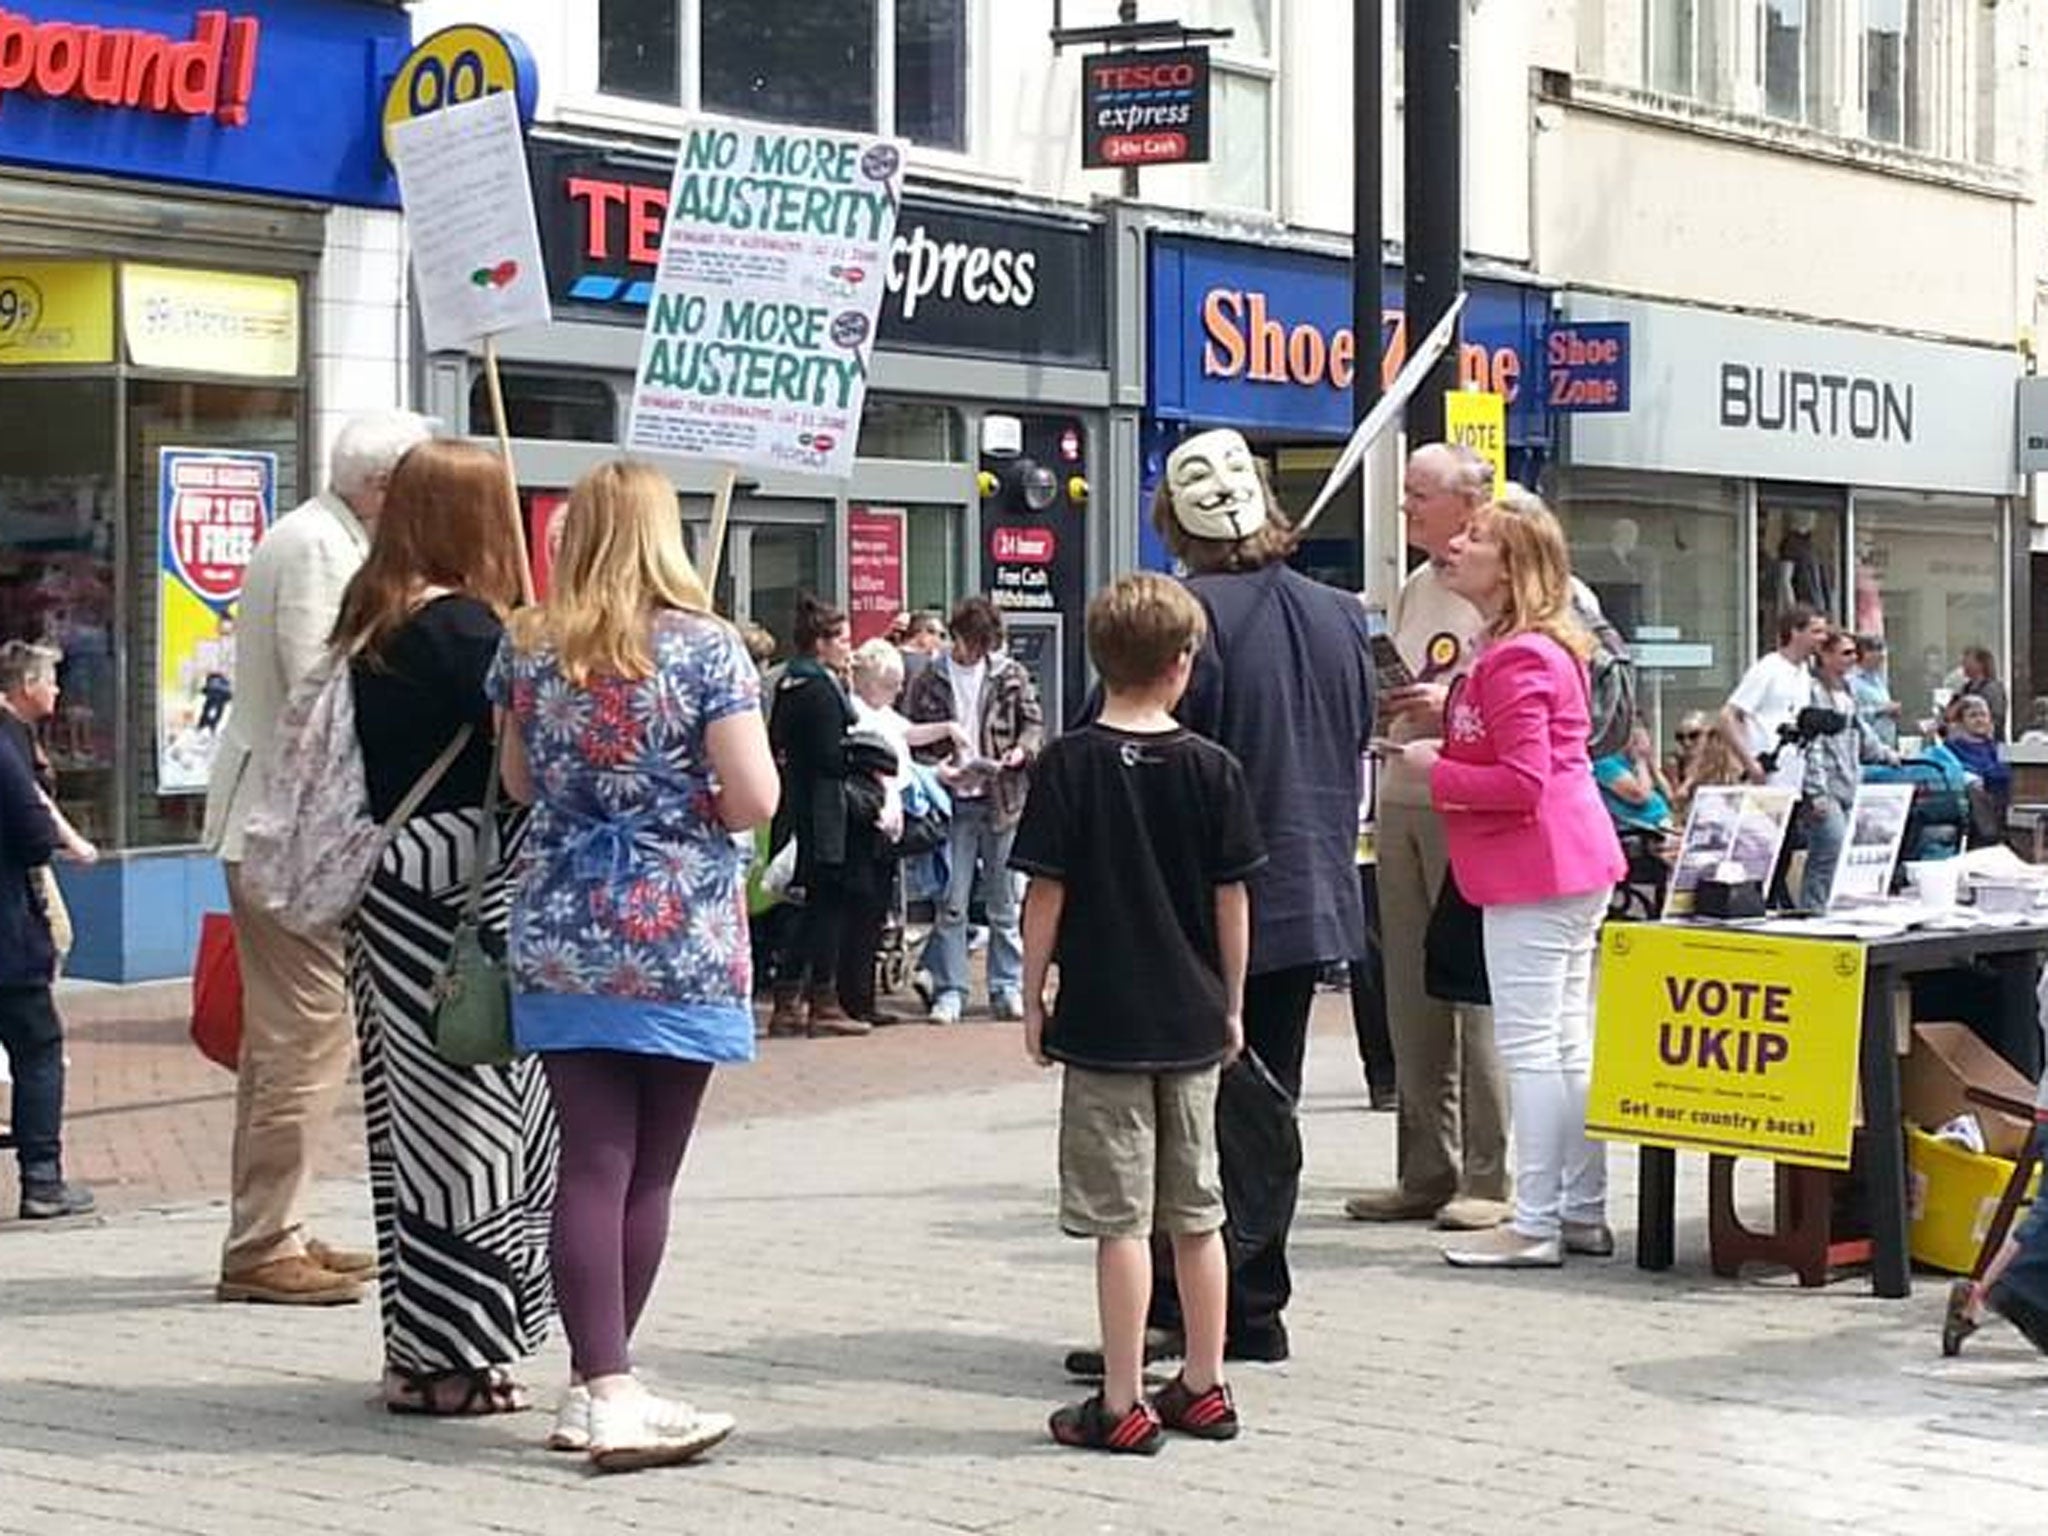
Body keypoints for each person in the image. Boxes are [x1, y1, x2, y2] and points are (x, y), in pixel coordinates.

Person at [492, 459, 777, 1470]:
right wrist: (679, 808)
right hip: (677, 930)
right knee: (647, 1172)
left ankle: (594, 1379)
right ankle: (606, 1386)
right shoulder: (708, 650)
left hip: (562, 924)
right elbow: (752, 795)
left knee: (589, 1160)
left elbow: (519, 780)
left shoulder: (527, 644)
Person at [1013, 573, 1265, 1454]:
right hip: (1193, 1016)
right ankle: (1205, 1380)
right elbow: (1232, 900)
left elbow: (1047, 892)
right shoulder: (1213, 768)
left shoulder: (1069, 763)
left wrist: (1032, 990)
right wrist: (1233, 1003)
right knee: (1198, 1211)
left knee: (1119, 1219)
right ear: (1182, 664)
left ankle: (1120, 1399)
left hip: (1104, 1019)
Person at [333, 439, 557, 1415]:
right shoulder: (463, 629)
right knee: (471, 1126)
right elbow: (532, 739)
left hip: (396, 880)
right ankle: (456, 1354)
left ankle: (422, 1347)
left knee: (411, 1130)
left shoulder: (378, 612)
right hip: (460, 885)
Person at [1142, 427, 1373, 1363]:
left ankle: (1189, 1305)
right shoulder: (1339, 614)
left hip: (1202, 899)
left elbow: (1157, 752)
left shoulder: (1188, 619)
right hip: (1308, 882)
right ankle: (1257, 1296)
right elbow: (1355, 730)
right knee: (1267, 1100)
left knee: (1186, 1114)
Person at [204, 408, 431, 1306]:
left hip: (279, 824)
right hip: (287, 830)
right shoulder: (314, 548)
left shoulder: (321, 537)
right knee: (304, 1040)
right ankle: (262, 1241)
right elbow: (317, 690)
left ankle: (273, 1224)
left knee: (286, 1042)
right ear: (384, 487)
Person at [1380, 492, 1625, 1267]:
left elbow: (1522, 781)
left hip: (1534, 864)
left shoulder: (1520, 655)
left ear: (1512, 566)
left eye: (1476, 539)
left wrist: (1436, 767)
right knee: (1565, 1042)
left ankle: (1538, 1221)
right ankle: (1577, 1208)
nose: (1455, 546)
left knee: (1533, 1047)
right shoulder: (1536, 647)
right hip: (1566, 860)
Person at [1346, 443, 1510, 1233]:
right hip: (1405, 791)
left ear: (1469, 502)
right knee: (1409, 989)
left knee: (1474, 989)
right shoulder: (1416, 584)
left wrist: (1454, 707)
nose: (1405, 507)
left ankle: (1491, 1171)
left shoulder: (1508, 575)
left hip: (1472, 802)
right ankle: (1424, 1166)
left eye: (1418, 494)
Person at [903, 595, 1043, 1026]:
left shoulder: (1010, 675)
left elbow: (1033, 722)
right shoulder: (930, 678)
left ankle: (1006, 986)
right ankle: (951, 989)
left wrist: (1022, 751)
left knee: (1004, 900)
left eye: (982, 645)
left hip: (1001, 797)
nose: (974, 652)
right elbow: (911, 736)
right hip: (953, 801)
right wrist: (937, 770)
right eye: (968, 643)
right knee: (952, 899)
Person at [0, 697, 92, 1219]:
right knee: (38, 1047)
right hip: (7, 933)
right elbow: (35, 833)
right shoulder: (4, 743)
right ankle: (42, 1179)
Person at [766, 595, 872, 1038]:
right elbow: (830, 756)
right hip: (824, 812)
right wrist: (862, 759)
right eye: (843, 639)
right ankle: (822, 1000)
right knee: (826, 903)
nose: (849, 647)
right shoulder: (820, 690)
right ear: (821, 643)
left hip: (794, 806)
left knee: (804, 909)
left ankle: (788, 1000)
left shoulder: (788, 684)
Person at [844, 639, 964, 1025]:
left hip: (884, 821)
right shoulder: (859, 713)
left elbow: (909, 734)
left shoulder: (880, 712)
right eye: (893, 684)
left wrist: (947, 730)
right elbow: (886, 759)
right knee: (862, 913)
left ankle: (861, 998)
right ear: (872, 682)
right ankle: (855, 998)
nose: (899, 691)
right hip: (871, 822)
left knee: (875, 912)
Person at [0, 641, 98, 968]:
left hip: (24, 853)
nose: (56, 690)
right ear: (28, 685)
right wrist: (74, 840)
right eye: (50, 680)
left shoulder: (20, 731)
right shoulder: (9, 732)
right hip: (20, 856)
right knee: (55, 936)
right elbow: (31, 793)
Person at [1799, 629, 1897, 910]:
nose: (1852, 659)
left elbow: (1861, 733)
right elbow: (1812, 744)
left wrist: (1886, 755)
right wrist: (1816, 791)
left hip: (1849, 781)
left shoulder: (1849, 690)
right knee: (1831, 845)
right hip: (1824, 785)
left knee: (1840, 853)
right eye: (1845, 653)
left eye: (1854, 653)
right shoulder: (1812, 691)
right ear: (1825, 655)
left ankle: (1830, 906)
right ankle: (1813, 909)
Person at [1719, 603, 1828, 792]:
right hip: (1764, 777)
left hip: (1792, 778)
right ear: (1795, 632)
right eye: (1816, 631)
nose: (1823, 638)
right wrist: (1749, 763)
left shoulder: (1804, 672)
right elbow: (1727, 716)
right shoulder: (1768, 668)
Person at [1593, 717, 1675, 830]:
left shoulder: (1635, 763)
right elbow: (1639, 795)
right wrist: (1640, 759)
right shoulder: (1604, 762)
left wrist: (1651, 764)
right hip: (1639, 831)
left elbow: (1669, 796)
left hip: (1662, 824)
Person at [1849, 635, 1901, 750]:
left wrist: (1892, 712)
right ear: (1863, 653)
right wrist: (1880, 711)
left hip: (1887, 746)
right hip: (1866, 749)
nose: (1881, 655)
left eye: (1882, 650)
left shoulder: (1879, 680)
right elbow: (1852, 716)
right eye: (1876, 650)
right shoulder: (1852, 681)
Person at [1959, 646, 2008, 740]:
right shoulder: (1966, 688)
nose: (1963, 665)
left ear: (1980, 664)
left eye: (1967, 661)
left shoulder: (1992, 688)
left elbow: (1996, 718)